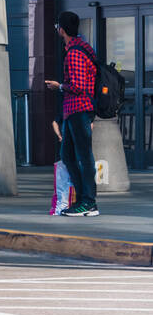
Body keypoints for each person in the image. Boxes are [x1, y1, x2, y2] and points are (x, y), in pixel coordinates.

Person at [45, 11, 99, 216]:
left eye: (57, 26)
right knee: (67, 155)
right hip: (73, 112)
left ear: (62, 29)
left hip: (79, 110)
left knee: (84, 156)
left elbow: (78, 85)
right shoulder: (81, 48)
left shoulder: (75, 52)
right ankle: (82, 201)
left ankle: (89, 202)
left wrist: (58, 86)